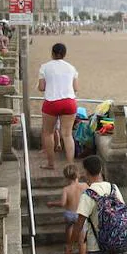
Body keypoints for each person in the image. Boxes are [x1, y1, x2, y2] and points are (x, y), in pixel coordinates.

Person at [38, 43, 80, 171]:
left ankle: (51, 164)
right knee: (67, 135)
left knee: (48, 133)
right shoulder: (71, 68)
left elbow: (41, 87)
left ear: (52, 53)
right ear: (65, 54)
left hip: (51, 102)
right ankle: (70, 164)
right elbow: (76, 88)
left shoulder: (44, 67)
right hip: (68, 101)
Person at [47, 164, 89, 254]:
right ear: (78, 175)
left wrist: (52, 204)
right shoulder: (84, 186)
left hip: (70, 214)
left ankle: (69, 248)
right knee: (82, 241)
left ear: (66, 177)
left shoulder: (66, 189)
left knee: (70, 227)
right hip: (81, 215)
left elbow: (62, 203)